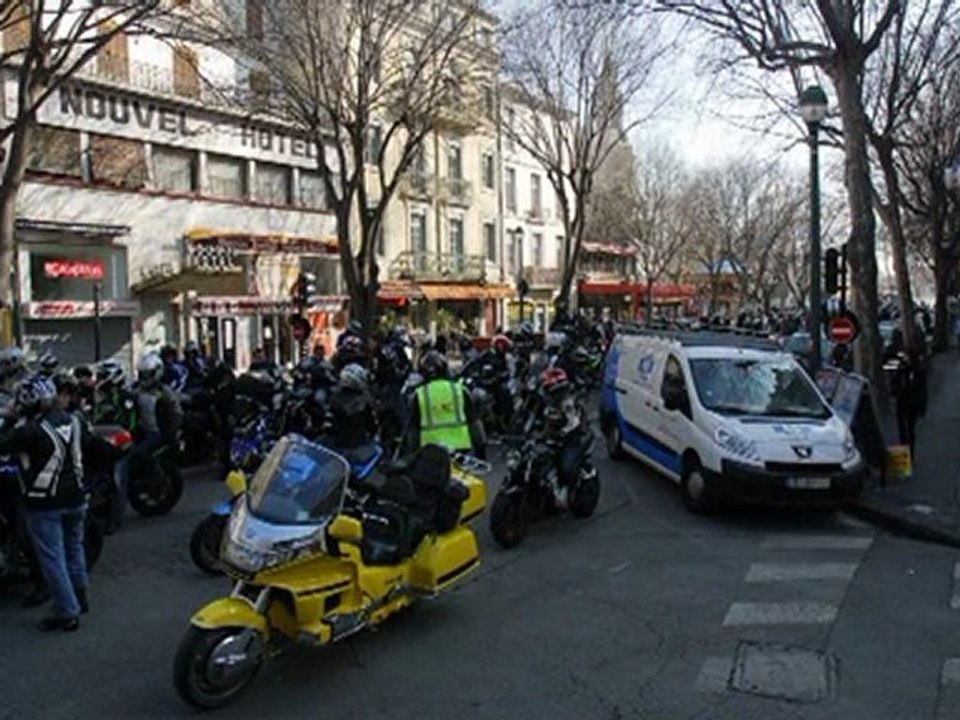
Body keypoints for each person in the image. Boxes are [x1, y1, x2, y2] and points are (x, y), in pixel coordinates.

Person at [0, 374, 94, 631]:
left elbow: (3, 444)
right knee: (74, 549)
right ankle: (80, 595)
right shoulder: (73, 420)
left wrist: (9, 417)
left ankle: (67, 612)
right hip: (76, 497)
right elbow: (89, 444)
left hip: (45, 503)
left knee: (53, 559)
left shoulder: (30, 430)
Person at [115, 353, 182, 529]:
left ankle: (154, 478)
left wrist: (172, 435)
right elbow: (126, 396)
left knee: (139, 453)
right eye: (142, 374)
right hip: (142, 431)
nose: (145, 378)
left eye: (148, 374)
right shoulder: (138, 389)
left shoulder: (165, 393)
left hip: (159, 433)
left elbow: (176, 415)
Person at [402, 350, 484, 458]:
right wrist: (481, 450)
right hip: (460, 448)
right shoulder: (460, 390)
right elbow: (474, 424)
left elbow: (413, 431)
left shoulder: (418, 395)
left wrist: (412, 455)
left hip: (430, 450)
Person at [327, 363, 378, 450]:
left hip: (337, 443)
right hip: (355, 445)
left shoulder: (335, 395)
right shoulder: (363, 399)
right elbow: (371, 424)